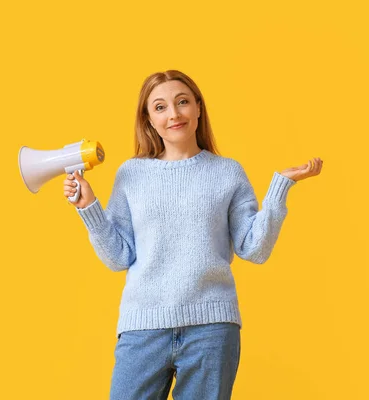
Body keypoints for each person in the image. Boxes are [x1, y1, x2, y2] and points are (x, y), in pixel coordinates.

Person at [63, 70, 323, 400]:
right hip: (142, 327)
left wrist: (280, 187)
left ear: (198, 108)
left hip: (212, 328)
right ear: (149, 120)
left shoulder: (228, 172)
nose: (174, 113)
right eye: (160, 107)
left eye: (182, 102)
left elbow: (254, 249)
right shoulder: (131, 174)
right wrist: (89, 207)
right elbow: (118, 258)